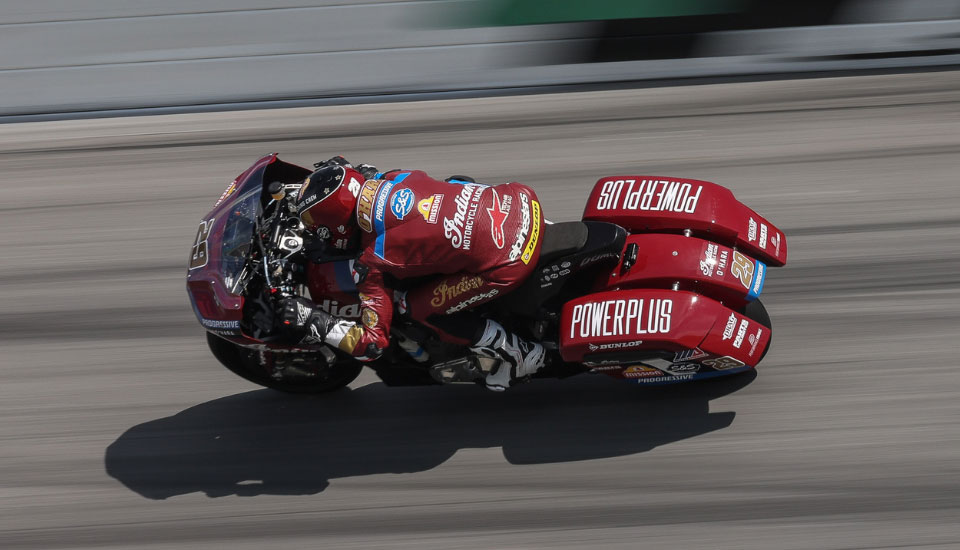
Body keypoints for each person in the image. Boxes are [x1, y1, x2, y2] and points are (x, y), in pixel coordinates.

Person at [279, 156, 546, 391]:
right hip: (520, 200)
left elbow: (373, 345)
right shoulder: (394, 178)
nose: (311, 229)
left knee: (413, 308)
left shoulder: (373, 260)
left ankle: (517, 354)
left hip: (508, 260)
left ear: (337, 226)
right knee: (454, 183)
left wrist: (314, 319)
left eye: (313, 222)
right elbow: (367, 174)